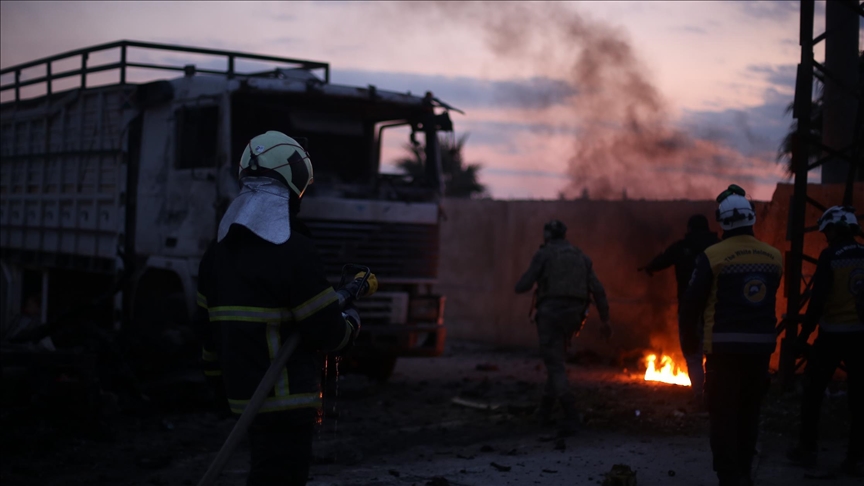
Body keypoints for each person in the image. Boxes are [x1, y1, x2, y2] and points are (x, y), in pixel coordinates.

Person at [195, 131, 361, 486]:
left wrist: (217, 388)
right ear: (295, 179)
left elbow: (207, 336)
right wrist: (351, 326)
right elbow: (327, 332)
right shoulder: (295, 251)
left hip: (244, 401)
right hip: (288, 405)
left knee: (265, 474)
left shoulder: (215, 254)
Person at [679, 184, 783, 486]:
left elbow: (691, 305)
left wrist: (690, 347)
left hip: (723, 351)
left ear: (721, 222)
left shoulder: (711, 256)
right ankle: (745, 472)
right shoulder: (773, 256)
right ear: (752, 219)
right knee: (749, 413)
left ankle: (728, 477)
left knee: (723, 415)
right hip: (761, 350)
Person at [514, 219, 612, 436]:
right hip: (574, 317)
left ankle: (571, 414)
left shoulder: (544, 254)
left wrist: (520, 283)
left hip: (550, 314)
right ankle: (545, 413)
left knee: (555, 363)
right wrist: (605, 320)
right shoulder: (581, 257)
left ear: (547, 235)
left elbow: (524, 285)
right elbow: (598, 290)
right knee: (556, 360)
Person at [786, 206, 864, 475]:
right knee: (859, 400)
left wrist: (802, 337)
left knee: (813, 393)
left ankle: (807, 450)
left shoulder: (830, 256)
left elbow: (817, 301)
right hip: (861, 339)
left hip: (832, 337)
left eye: (827, 230)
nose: (826, 236)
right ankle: (855, 458)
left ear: (834, 229)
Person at [639, 214, 719, 404]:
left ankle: (699, 395)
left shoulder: (682, 247)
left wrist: (649, 267)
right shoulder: (719, 247)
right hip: (716, 309)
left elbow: (663, 259)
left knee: (693, 354)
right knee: (715, 354)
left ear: (689, 228)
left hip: (689, 308)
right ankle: (715, 395)